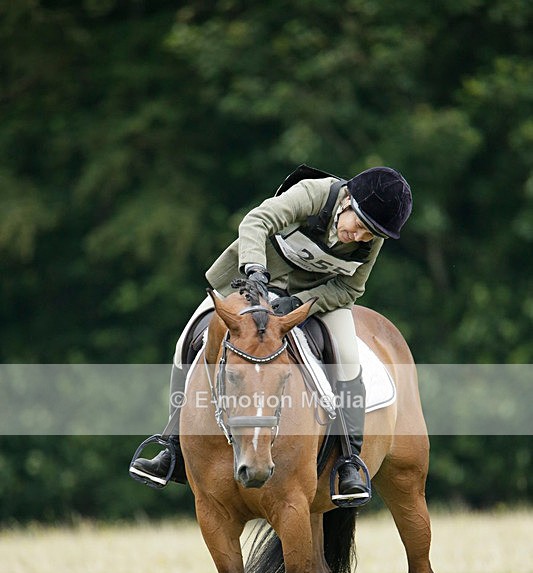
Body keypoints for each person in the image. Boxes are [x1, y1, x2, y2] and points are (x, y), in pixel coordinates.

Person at [130, 165, 412, 500]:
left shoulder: (371, 237)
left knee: (349, 359)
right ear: (347, 201)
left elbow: (351, 289)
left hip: (312, 300)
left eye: (370, 234)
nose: (362, 238)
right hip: (253, 282)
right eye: (360, 227)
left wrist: (301, 301)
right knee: (187, 339)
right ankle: (172, 445)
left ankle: (349, 462)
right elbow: (256, 221)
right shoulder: (314, 194)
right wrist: (254, 270)